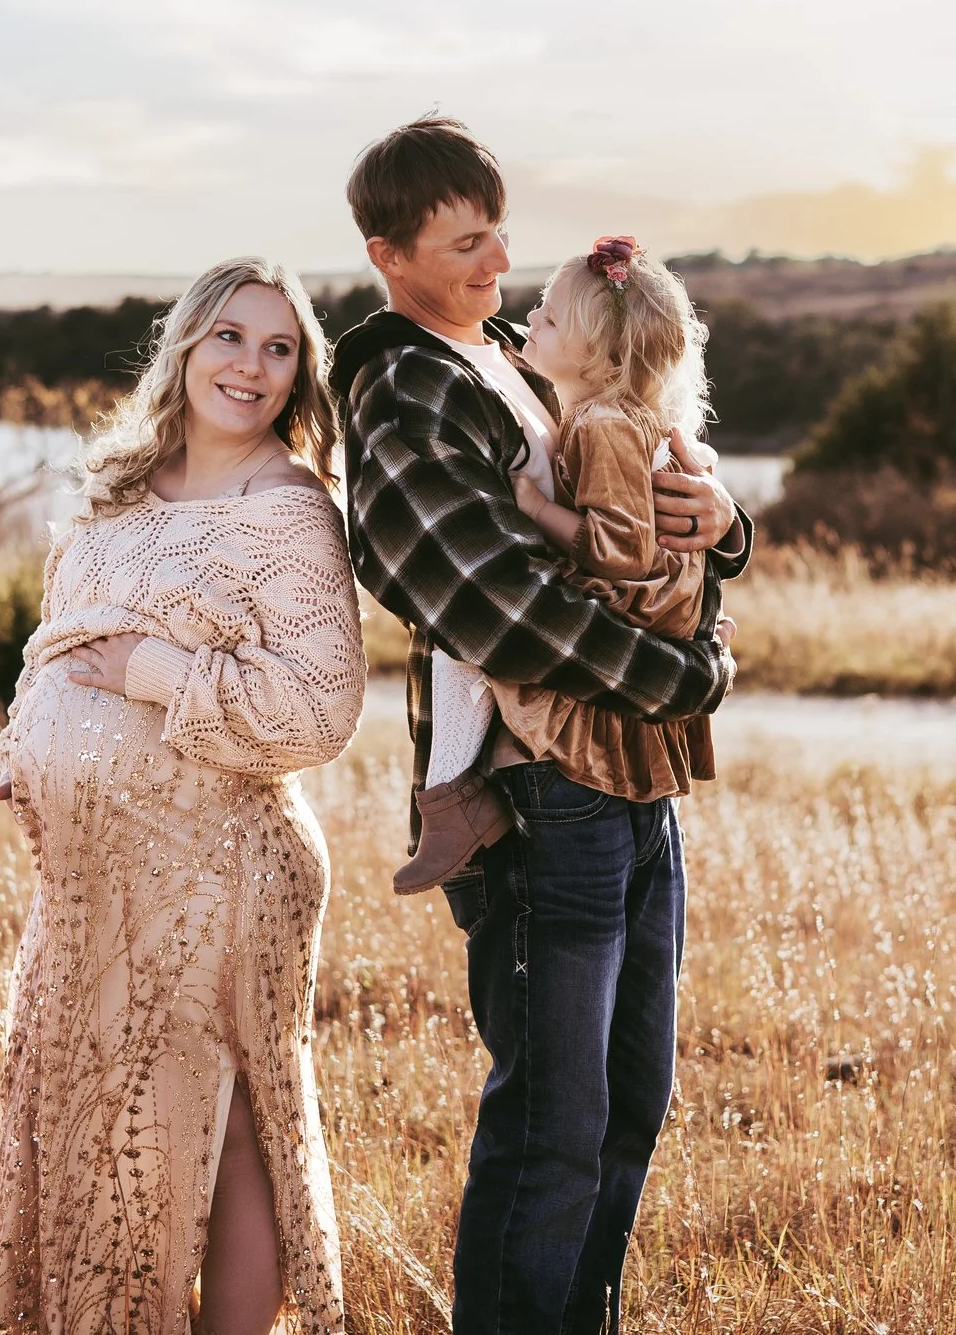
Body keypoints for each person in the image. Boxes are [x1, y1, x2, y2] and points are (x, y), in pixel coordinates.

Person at [327, 117, 750, 1335]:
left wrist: (720, 526)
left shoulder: (520, 354)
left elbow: (654, 532)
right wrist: (682, 676)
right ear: (388, 254)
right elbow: (487, 602)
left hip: (633, 786)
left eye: (500, 231)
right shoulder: (404, 385)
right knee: (550, 1125)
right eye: (464, 242)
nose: (497, 261)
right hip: (538, 797)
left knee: (628, 1099)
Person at [0, 257, 365, 1335]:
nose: (251, 364)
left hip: (222, 868)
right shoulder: (119, 487)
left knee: (228, 1125)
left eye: (279, 347)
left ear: (299, 373)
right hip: (97, 876)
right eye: (231, 337)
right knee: (99, 1123)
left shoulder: (289, 511)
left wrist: (154, 668)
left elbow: (320, 708)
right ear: (186, 345)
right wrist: (25, 746)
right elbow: (56, 633)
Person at [393, 235, 716, 892]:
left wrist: (535, 508)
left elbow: (621, 549)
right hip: (646, 600)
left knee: (463, 636)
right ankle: (450, 805)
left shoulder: (602, 422)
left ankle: (450, 803)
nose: (529, 321)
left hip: (627, 600)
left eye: (548, 317)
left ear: (598, 354)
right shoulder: (591, 402)